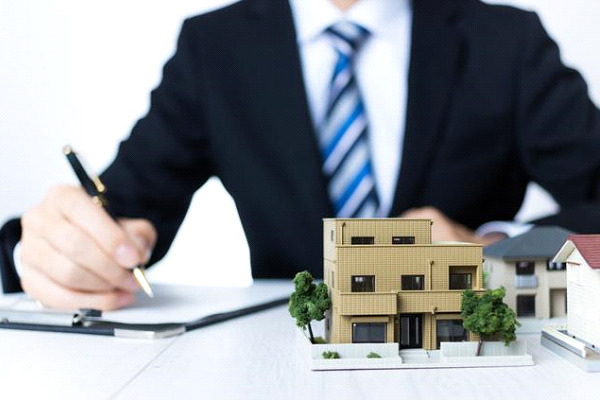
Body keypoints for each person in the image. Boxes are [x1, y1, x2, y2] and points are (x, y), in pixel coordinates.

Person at [1, 0, 599, 310]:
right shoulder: (215, 47)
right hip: (281, 367)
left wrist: (492, 250)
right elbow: (118, 217)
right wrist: (49, 252)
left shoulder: (507, 41)